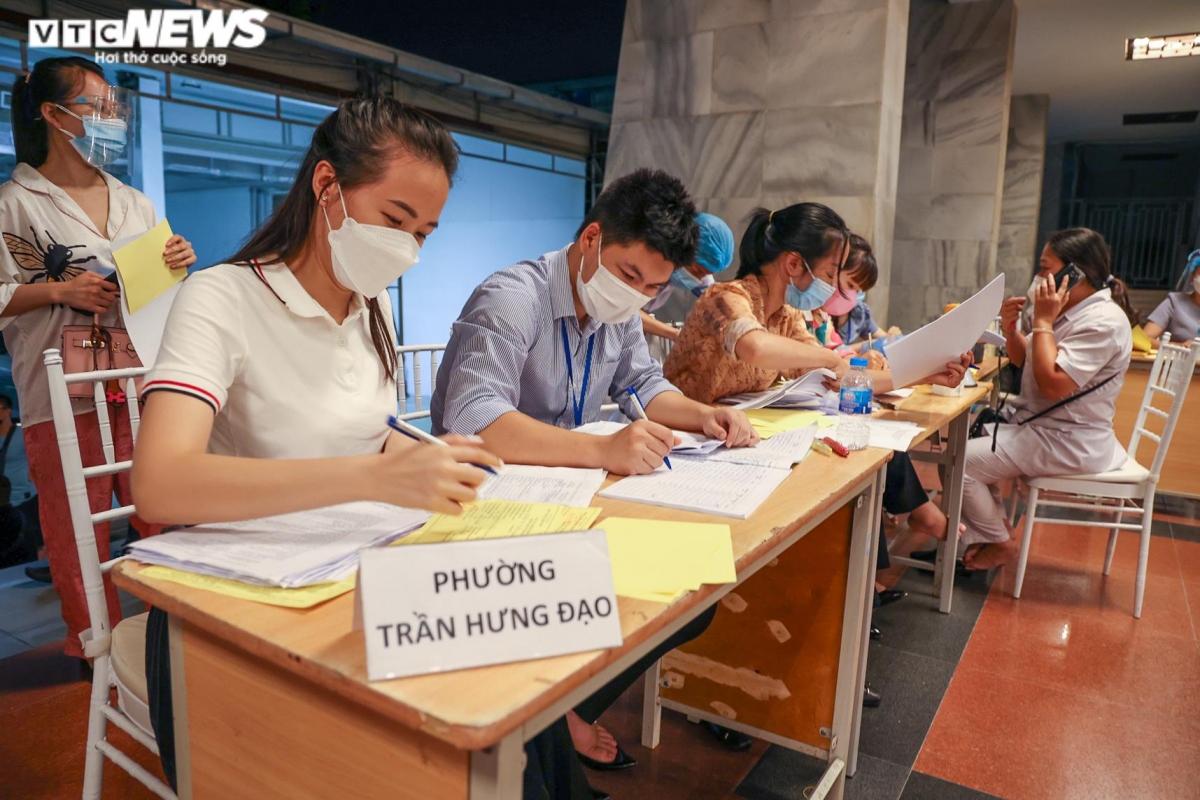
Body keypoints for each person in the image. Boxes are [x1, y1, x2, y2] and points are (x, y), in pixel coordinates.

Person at [126, 98, 594, 796]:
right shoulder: (220, 298)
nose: (408, 248)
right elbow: (161, 483)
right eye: (396, 220)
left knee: (518, 688)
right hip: (238, 606)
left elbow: (364, 433)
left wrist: (418, 457)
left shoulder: (366, 305)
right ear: (327, 188)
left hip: (349, 570)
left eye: (426, 233)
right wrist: (374, 477)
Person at [430, 168, 758, 766]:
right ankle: (548, 729)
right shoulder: (514, 295)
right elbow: (475, 416)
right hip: (487, 503)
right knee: (585, 610)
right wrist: (603, 451)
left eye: (653, 288)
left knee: (692, 596)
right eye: (628, 274)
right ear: (590, 240)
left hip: (568, 498)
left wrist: (701, 416)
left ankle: (568, 711)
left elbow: (644, 383)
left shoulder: (620, 311)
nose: (635, 295)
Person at [0, 57, 196, 657]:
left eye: (116, 108)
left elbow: (158, 291)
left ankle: (183, 626)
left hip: (137, 381)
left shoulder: (134, 200)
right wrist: (61, 289)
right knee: (72, 525)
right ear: (54, 115)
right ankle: (95, 647)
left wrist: (176, 262)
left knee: (160, 505)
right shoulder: (15, 201)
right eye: (98, 107)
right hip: (62, 389)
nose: (113, 119)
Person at [948, 228, 1134, 569]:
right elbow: (1026, 361)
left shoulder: (1103, 322)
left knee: (960, 464)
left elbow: (1052, 384)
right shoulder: (1073, 309)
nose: (1038, 276)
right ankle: (991, 533)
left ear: (1073, 273)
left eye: (1045, 267)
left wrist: (1045, 321)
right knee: (969, 443)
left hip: (1068, 439)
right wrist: (1011, 330)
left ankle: (1000, 542)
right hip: (1043, 428)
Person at [663, 205, 968, 405]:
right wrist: (826, 357)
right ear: (794, 263)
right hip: (679, 438)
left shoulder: (787, 315)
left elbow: (845, 376)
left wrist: (927, 374)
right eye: (830, 274)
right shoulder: (726, 298)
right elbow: (755, 347)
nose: (834, 287)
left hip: (731, 436)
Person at [638, 211, 734, 343]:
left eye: (705, 274)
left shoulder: (698, 266)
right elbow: (625, 311)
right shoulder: (645, 261)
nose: (699, 279)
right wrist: (675, 334)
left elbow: (716, 299)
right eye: (697, 271)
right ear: (684, 249)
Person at [0, 393, 39, 568]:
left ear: (8, 411)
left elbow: (38, 457)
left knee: (29, 547)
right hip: (4, 505)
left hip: (25, 500)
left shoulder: (23, 434)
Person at [1143, 248, 1200, 347]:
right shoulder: (1175, 302)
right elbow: (1145, 338)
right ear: (1192, 276)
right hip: (1179, 360)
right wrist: (1179, 346)